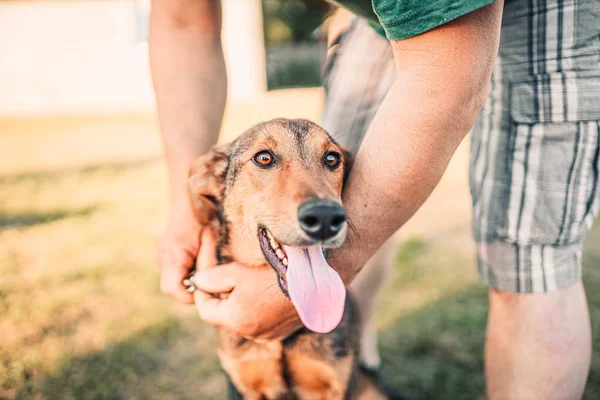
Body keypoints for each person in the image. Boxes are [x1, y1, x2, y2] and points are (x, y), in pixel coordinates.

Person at [149, 0, 599, 398]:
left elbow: (448, 77)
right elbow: (183, 20)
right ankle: (362, 360)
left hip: (540, 11)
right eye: (266, 159)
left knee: (525, 256)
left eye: (330, 161)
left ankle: (348, 368)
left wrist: (339, 261)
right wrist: (182, 208)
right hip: (383, 15)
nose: (315, 193)